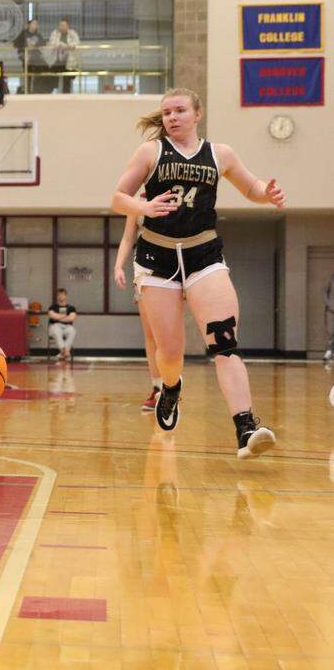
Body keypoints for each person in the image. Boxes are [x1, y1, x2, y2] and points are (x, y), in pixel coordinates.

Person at [111, 87, 284, 459]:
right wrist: (144, 204)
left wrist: (265, 193)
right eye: (167, 112)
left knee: (224, 342)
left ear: (197, 114)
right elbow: (117, 197)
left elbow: (250, 186)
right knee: (170, 352)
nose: (172, 117)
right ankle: (170, 389)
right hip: (157, 258)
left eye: (179, 110)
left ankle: (246, 428)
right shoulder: (150, 153)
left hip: (204, 255)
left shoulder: (220, 154)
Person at [115, 213, 162, 408]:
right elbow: (128, 237)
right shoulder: (137, 204)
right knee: (151, 334)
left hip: (174, 269)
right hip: (145, 269)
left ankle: (171, 385)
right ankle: (158, 387)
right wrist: (118, 266)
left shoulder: (180, 192)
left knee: (167, 335)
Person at [12, 18, 48, 94]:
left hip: (36, 57)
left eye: (36, 24)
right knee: (28, 74)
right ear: (29, 25)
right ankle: (27, 90)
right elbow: (15, 44)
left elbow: (44, 43)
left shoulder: (38, 35)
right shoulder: (23, 33)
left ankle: (37, 89)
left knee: (43, 69)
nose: (35, 25)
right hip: (26, 56)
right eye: (33, 23)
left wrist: (35, 46)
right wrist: (25, 48)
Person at [47, 18, 79, 93]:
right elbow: (52, 43)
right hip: (56, 61)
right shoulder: (55, 33)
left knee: (67, 79)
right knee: (50, 77)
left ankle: (66, 95)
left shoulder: (73, 33)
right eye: (60, 25)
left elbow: (76, 44)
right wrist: (62, 45)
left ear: (68, 26)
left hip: (69, 62)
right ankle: (51, 93)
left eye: (63, 25)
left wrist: (66, 46)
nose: (61, 27)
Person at [46, 288, 77, 361]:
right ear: (57, 296)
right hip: (54, 326)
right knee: (56, 330)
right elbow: (52, 316)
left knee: (72, 331)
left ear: (66, 296)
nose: (60, 296)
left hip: (67, 326)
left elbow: (72, 318)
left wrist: (58, 317)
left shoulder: (71, 308)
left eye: (62, 295)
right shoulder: (52, 307)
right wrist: (66, 316)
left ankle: (63, 352)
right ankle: (65, 351)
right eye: (59, 295)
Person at [324, 272, 334, 362]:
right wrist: (328, 303)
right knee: (330, 332)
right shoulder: (331, 278)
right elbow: (325, 291)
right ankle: (329, 351)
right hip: (331, 310)